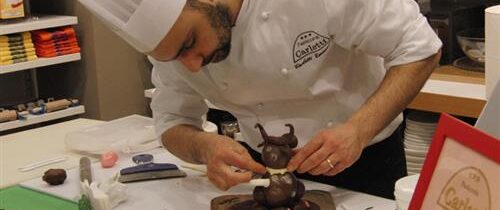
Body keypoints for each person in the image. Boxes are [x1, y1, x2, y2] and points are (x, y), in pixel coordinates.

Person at [80, 0, 442, 199]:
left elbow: (419, 49)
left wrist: (358, 131)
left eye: (190, 44)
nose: (191, 67)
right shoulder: (177, 50)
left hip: (366, 163)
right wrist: (205, 147)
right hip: (261, 172)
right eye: (173, 57)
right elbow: (172, 121)